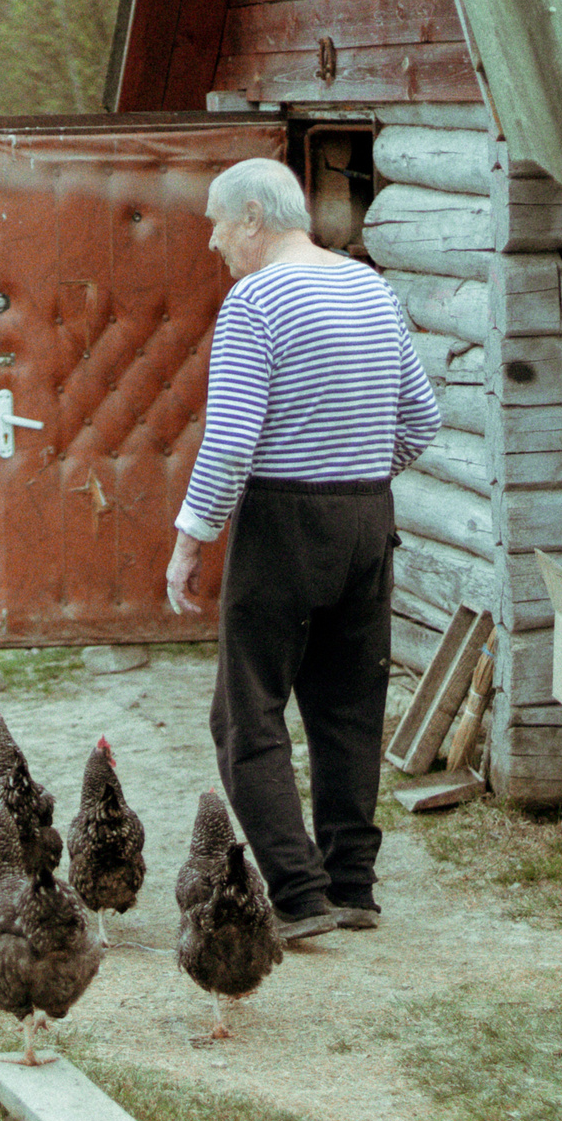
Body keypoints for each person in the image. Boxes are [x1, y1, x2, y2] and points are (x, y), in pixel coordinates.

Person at [166, 157, 439, 941]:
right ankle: (353, 884)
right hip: (365, 519)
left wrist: (191, 543)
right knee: (349, 708)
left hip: (284, 521)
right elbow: (421, 420)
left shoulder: (256, 301)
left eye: (219, 223)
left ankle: (300, 893)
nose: (215, 241)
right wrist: (354, 475)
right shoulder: (371, 288)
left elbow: (228, 445)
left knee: (245, 713)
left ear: (253, 217)